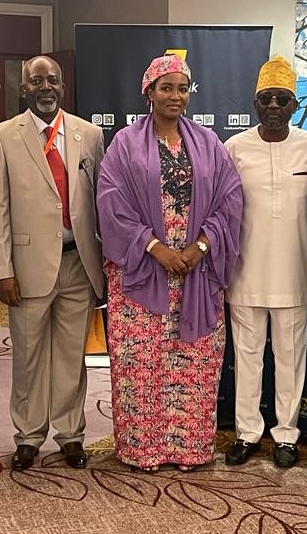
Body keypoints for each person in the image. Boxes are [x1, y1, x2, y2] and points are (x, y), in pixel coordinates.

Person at [97, 54, 243, 472]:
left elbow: (230, 199)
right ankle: (142, 448)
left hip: (196, 270)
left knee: (192, 362)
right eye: (166, 88)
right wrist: (154, 247)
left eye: (182, 88)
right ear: (149, 92)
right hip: (143, 270)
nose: (175, 96)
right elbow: (111, 204)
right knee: (141, 364)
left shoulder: (208, 142)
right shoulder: (125, 143)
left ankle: (189, 448)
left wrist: (199, 247)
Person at [0, 56, 106, 470]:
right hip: (27, 267)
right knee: (29, 357)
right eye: (37, 81)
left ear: (62, 86)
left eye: (52, 80)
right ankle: (29, 436)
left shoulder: (89, 134)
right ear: (25, 88)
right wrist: (1, 269)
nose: (45, 87)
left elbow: (100, 202)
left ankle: (71, 435)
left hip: (79, 265)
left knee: (73, 357)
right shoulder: (3, 136)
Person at [224, 56, 307, 469]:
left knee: (290, 356)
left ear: (295, 105)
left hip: (296, 271)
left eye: (283, 99)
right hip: (244, 272)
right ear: (255, 104)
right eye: (267, 99)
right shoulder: (233, 148)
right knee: (246, 356)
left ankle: (286, 434)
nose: (275, 106)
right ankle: (247, 432)